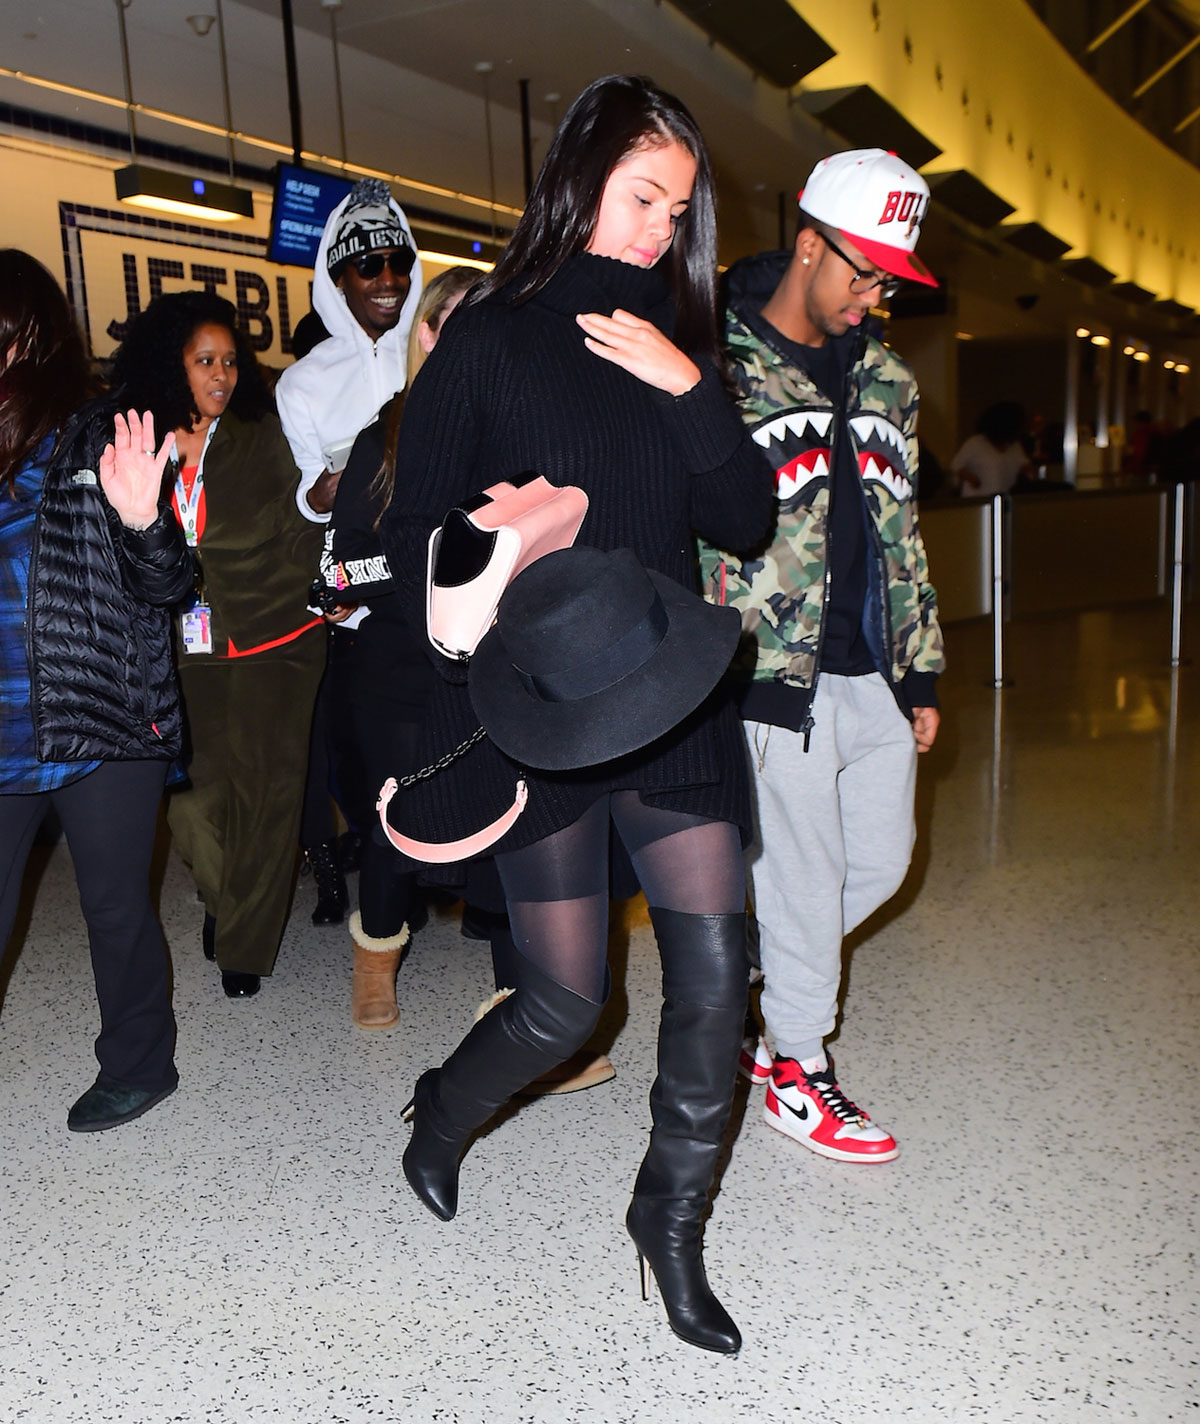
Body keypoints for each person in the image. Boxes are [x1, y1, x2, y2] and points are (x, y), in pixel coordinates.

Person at [377, 75, 773, 1354]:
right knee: (563, 1000)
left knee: (716, 980)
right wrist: (472, 610)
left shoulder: (679, 343)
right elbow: (398, 537)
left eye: (681, 208)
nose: (662, 229)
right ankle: (443, 1107)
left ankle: (667, 1221)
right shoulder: (492, 338)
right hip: (540, 707)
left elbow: (747, 522)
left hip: (671, 689)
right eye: (642, 196)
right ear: (578, 177)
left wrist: (685, 385)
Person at [698, 148, 945, 1164]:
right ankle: (796, 1066)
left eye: (891, 278)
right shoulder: (713, 358)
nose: (876, 294)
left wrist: (922, 669)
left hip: (872, 666)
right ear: (810, 243)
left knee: (878, 864)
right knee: (807, 875)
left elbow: (906, 532)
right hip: (769, 668)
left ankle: (764, 982)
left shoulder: (890, 376)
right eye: (865, 271)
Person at [0, 249, 192, 1130]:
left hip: (104, 711)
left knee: (115, 906)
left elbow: (167, 586)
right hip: (4, 724)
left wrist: (146, 516)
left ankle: (141, 1065)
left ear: (31, 337)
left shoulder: (104, 431)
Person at [112, 291, 325, 999]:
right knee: (195, 801)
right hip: (179, 648)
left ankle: (244, 944)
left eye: (230, 361)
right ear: (171, 363)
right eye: (205, 360)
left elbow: (300, 532)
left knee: (268, 798)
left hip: (277, 641)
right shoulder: (138, 443)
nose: (221, 375)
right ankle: (225, 898)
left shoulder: (261, 438)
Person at [320, 265, 477, 1028]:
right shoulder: (382, 434)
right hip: (395, 664)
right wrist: (422, 555)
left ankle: (533, 988)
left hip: (492, 663)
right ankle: (374, 956)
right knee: (395, 821)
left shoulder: (514, 432)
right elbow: (338, 566)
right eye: (455, 326)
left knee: (521, 819)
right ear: (426, 334)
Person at [276, 180, 425, 923]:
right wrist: (349, 480)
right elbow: (307, 493)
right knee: (369, 766)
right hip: (361, 606)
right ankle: (388, 903)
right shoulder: (303, 383)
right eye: (369, 267)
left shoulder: (436, 351)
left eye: (399, 261)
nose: (389, 280)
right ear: (337, 279)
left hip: (447, 594)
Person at [952, 401, 1031, 496]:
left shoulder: (1014, 446)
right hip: (977, 500)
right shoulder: (975, 443)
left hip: (1004, 500)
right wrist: (972, 478)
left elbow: (1025, 466)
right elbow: (957, 465)